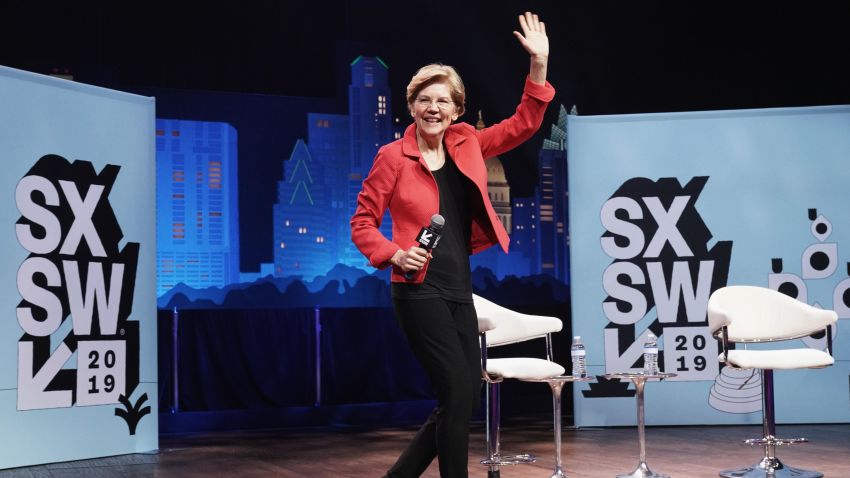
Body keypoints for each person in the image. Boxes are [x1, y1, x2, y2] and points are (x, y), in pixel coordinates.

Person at [350, 11, 554, 478]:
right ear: (412, 106)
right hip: (416, 289)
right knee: (460, 390)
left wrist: (538, 65)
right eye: (424, 99)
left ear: (457, 110)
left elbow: (523, 123)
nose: (433, 108)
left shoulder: (467, 144)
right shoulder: (392, 157)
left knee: (462, 395)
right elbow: (361, 223)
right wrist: (393, 253)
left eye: (443, 100)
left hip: (459, 288)